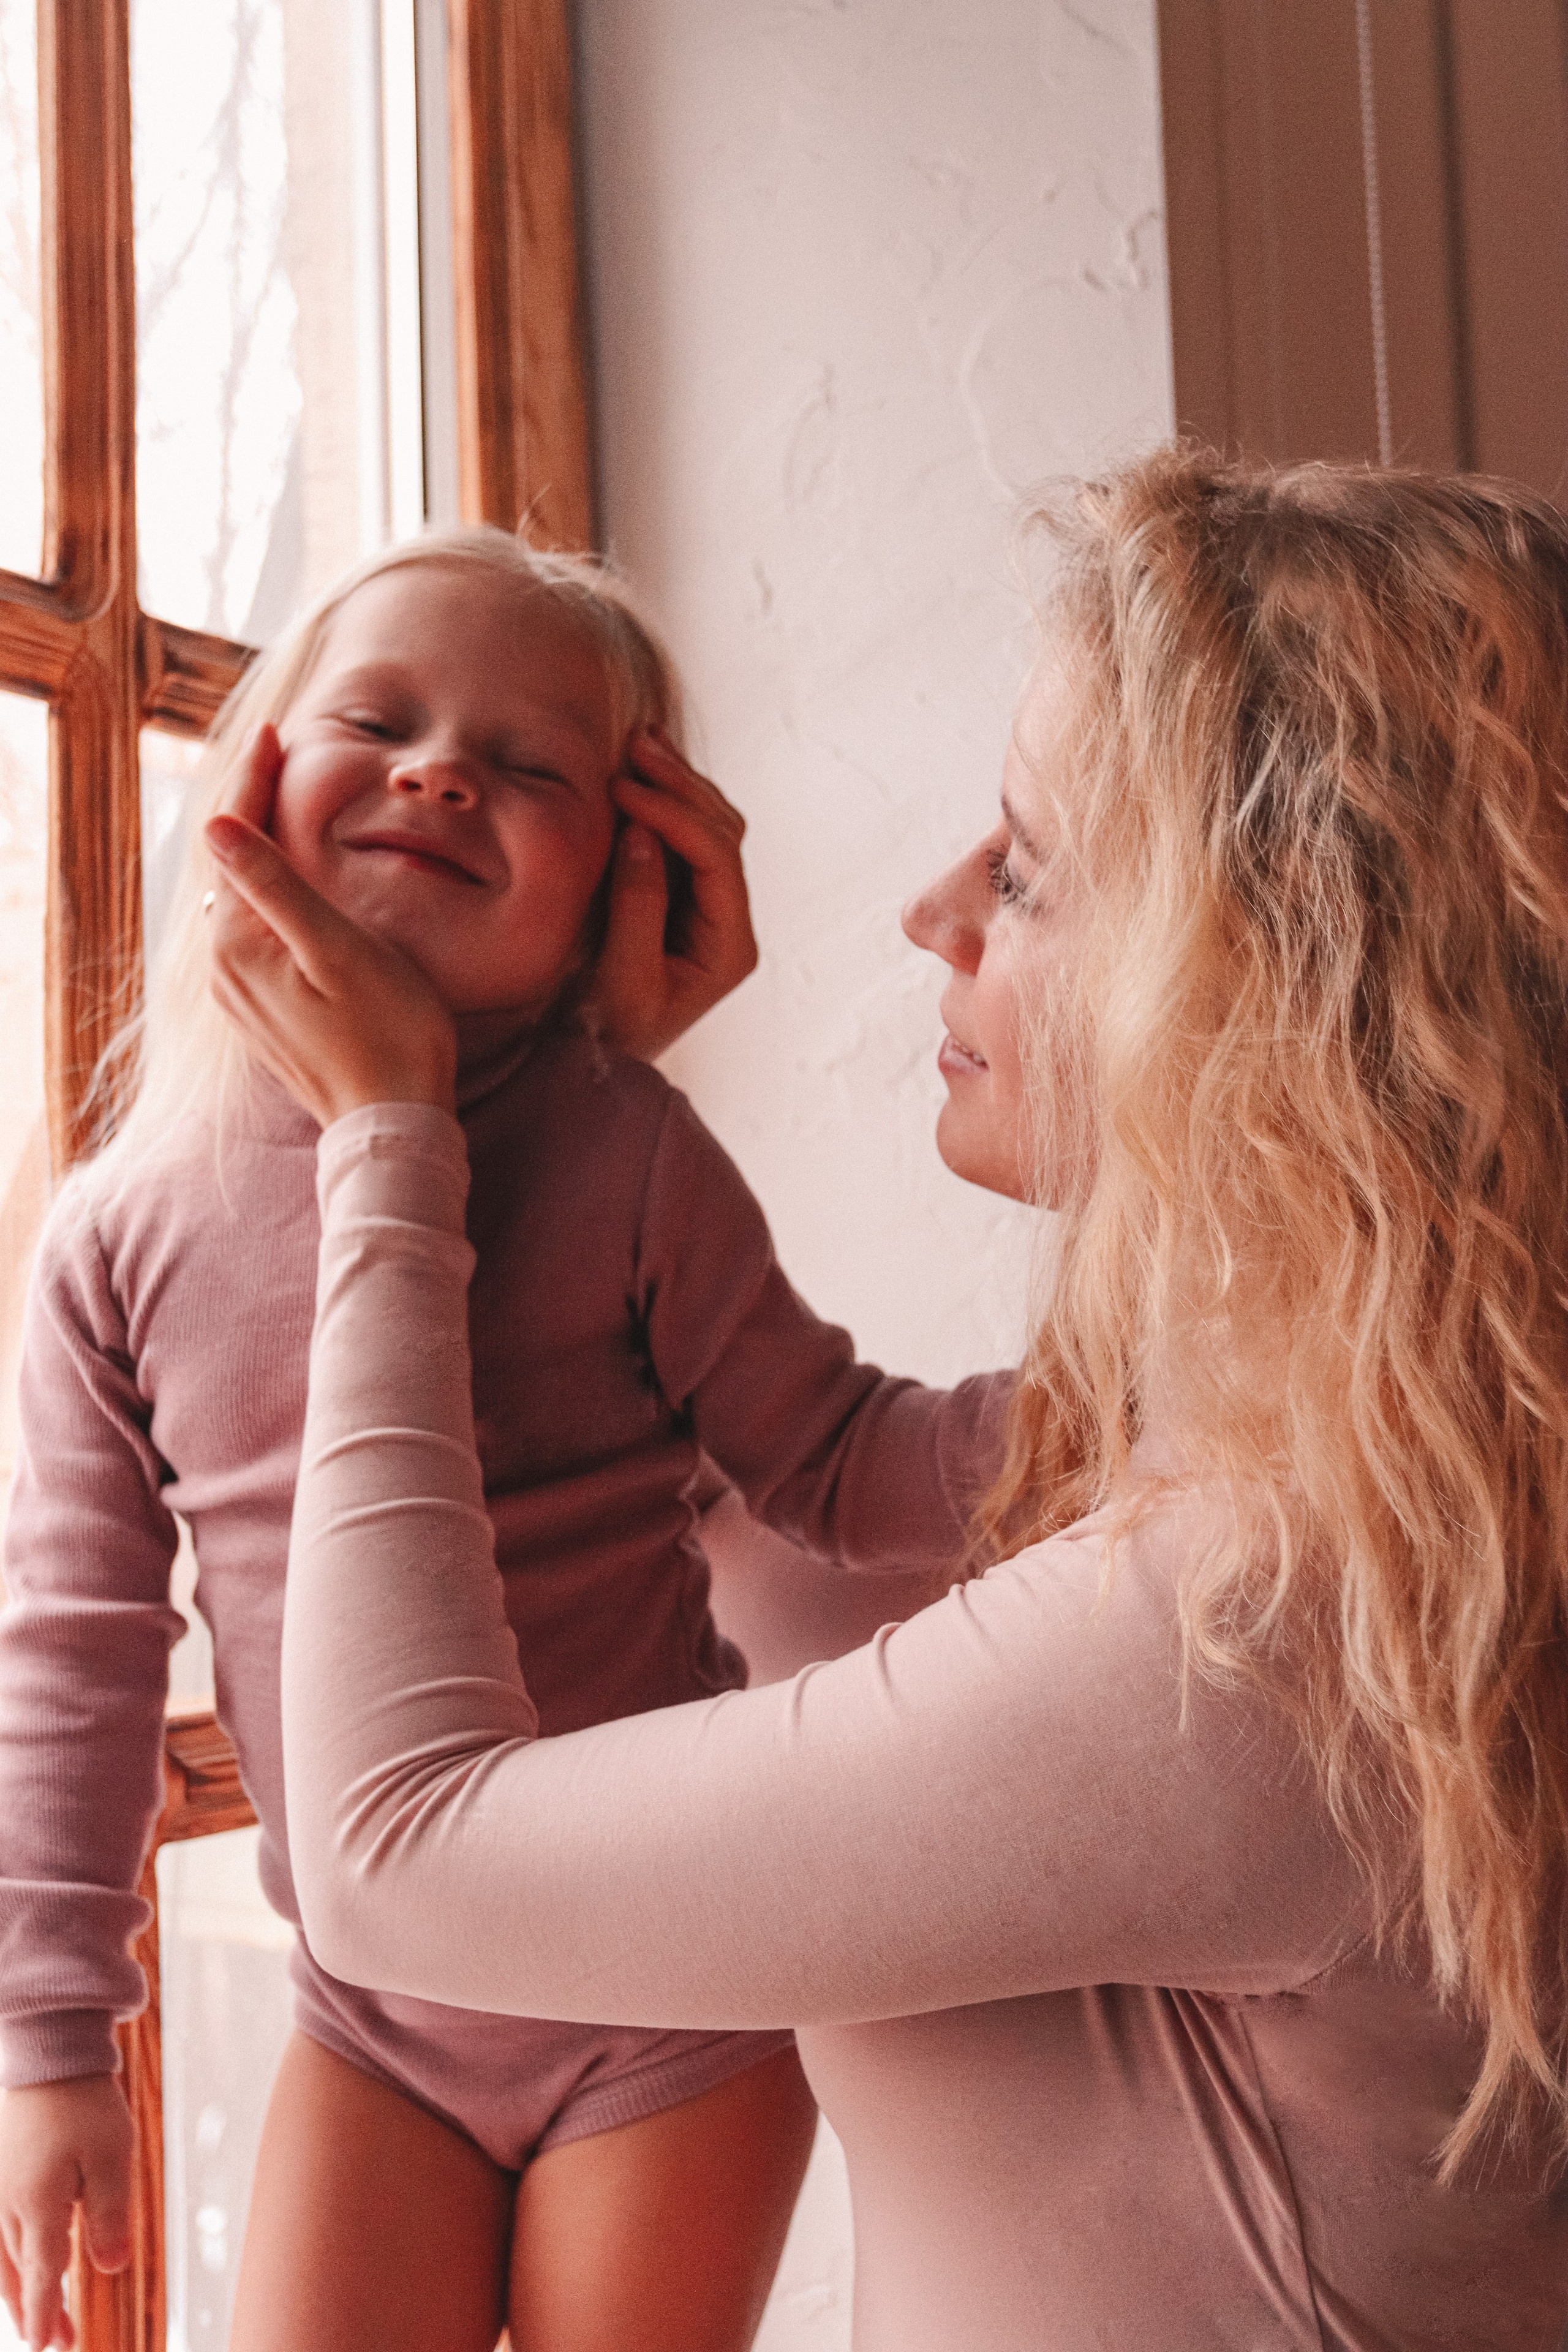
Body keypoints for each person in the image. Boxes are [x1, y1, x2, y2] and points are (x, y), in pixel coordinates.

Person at [204, 451, 1568, 2350]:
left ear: (1266, 973)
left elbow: (393, 1862)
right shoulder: (1314, 1475)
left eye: (1022, 866)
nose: (934, 912)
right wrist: (574, 1107)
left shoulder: (1257, 1626)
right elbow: (729, 1547)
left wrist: (393, 1133)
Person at [0, 528, 1010, 2352]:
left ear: (625, 871)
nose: (441, 768)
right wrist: (45, 2047)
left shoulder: (632, 1156)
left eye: (531, 765)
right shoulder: (118, 1233)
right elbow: (72, 1662)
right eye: (374, 718)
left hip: (673, 1990)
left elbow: (841, 1460)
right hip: (373, 2016)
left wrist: (1155, 1409)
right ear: (249, 786)